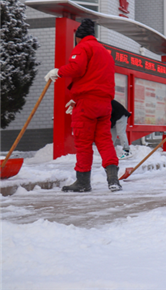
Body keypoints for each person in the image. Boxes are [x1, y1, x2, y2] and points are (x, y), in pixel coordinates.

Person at [44, 19, 122, 192]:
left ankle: (83, 182)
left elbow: (77, 68)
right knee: (104, 141)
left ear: (79, 37)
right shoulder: (105, 52)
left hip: (87, 103)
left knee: (83, 142)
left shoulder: (83, 47)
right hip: (104, 104)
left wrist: (58, 71)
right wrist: (77, 98)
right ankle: (113, 179)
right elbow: (96, 78)